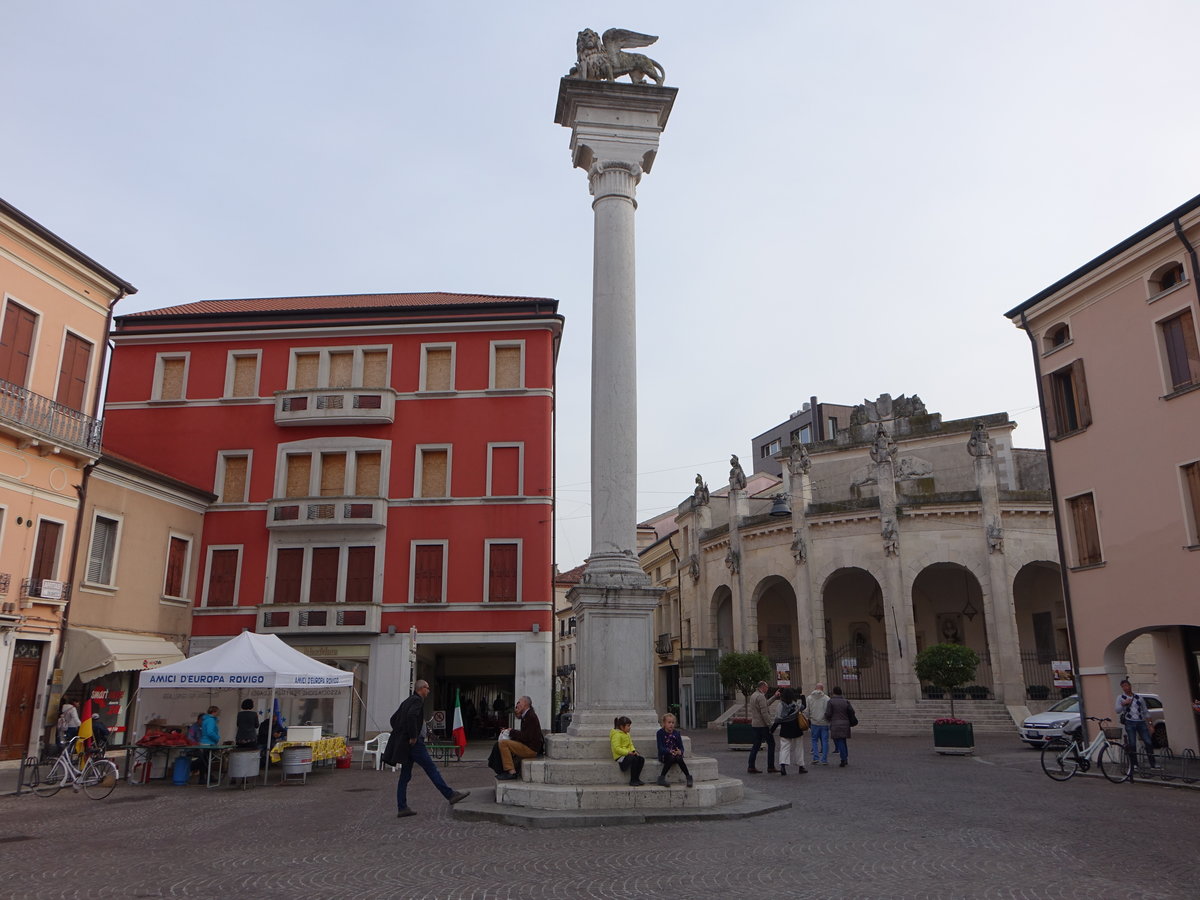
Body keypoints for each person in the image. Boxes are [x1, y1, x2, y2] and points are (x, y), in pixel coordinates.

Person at [383, 680, 469, 817]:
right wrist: (412, 736)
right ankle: (450, 794)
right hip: (415, 744)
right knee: (431, 768)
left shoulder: (407, 701)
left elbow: (394, 719)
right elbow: (411, 716)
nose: (429, 691)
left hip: (406, 745)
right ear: (421, 688)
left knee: (405, 776)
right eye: (427, 688)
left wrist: (401, 733)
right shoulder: (417, 701)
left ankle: (402, 806)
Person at [494, 695, 544, 780]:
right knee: (503, 743)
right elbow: (525, 735)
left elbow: (526, 737)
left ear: (525, 704)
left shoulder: (530, 716)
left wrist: (511, 732)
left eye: (519, 702)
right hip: (529, 746)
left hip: (531, 749)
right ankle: (507, 769)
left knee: (503, 743)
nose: (517, 705)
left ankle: (511, 772)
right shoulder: (527, 715)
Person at [1115, 679, 1156, 768]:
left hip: (1141, 722)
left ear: (1130, 686)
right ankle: (1134, 764)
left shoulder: (1138, 697)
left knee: (1148, 742)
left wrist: (1150, 724)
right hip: (1129, 722)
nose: (1125, 688)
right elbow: (1117, 710)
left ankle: (1153, 764)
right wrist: (1123, 704)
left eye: (1126, 685)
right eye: (1123, 686)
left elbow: (1145, 711)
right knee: (1132, 743)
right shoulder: (1121, 697)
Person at [771, 687, 808, 775]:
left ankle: (783, 766)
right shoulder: (795, 704)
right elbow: (803, 707)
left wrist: (772, 730)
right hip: (796, 728)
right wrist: (802, 696)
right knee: (798, 748)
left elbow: (777, 719)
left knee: (784, 748)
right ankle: (801, 766)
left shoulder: (780, 705)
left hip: (785, 729)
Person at [747, 681, 778, 774]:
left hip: (755, 724)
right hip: (762, 725)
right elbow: (764, 712)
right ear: (763, 687)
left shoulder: (754, 695)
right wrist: (770, 725)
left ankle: (751, 766)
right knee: (771, 744)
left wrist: (774, 696)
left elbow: (765, 704)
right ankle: (771, 766)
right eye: (767, 687)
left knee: (756, 745)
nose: (767, 689)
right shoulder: (760, 696)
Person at [655, 713, 692, 787]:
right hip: (665, 755)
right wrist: (669, 751)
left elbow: (681, 747)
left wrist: (679, 751)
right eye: (669, 722)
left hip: (675, 754)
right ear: (664, 723)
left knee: (679, 757)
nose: (671, 724)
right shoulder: (660, 733)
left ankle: (688, 777)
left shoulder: (677, 733)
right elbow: (660, 748)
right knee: (671, 757)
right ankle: (661, 778)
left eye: (672, 722)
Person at [610, 716, 645, 786]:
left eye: (630, 726)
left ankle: (636, 778)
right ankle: (632, 780)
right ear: (622, 727)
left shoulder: (627, 734)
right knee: (633, 759)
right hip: (620, 757)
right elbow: (616, 749)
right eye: (628, 726)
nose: (630, 727)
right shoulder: (616, 735)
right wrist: (628, 752)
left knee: (641, 759)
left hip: (628, 754)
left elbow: (630, 744)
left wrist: (633, 751)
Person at [827, 686, 856, 767]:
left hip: (835, 723)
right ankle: (845, 757)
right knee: (843, 741)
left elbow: (828, 713)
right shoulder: (846, 701)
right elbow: (851, 711)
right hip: (845, 723)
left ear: (834, 692)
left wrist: (828, 718)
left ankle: (843, 758)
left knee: (839, 741)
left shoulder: (831, 702)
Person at [807, 682, 831, 765]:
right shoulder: (827, 698)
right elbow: (828, 711)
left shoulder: (809, 698)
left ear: (815, 688)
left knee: (814, 740)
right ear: (822, 689)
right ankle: (824, 759)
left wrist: (809, 718)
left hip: (814, 722)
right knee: (825, 741)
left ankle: (815, 757)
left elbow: (807, 710)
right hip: (824, 723)